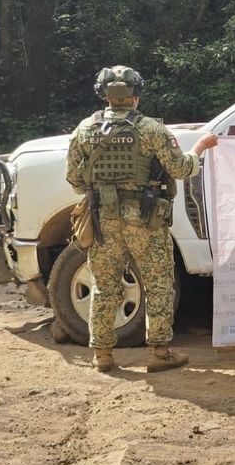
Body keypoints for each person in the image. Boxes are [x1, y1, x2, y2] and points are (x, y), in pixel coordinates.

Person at [65, 65, 218, 373]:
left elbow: (75, 180)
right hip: (145, 220)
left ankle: (102, 354)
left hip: (103, 219)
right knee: (158, 283)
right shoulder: (151, 129)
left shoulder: (84, 130)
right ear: (135, 95)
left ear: (105, 95)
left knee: (104, 285)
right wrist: (200, 147)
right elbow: (180, 169)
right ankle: (160, 353)